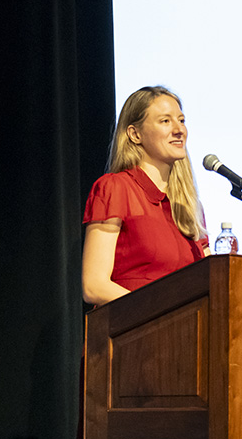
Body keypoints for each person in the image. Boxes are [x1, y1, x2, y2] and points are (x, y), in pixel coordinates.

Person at [82, 85, 209, 306]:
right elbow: (94, 286)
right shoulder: (115, 188)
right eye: (165, 121)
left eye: (181, 120)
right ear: (135, 134)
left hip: (188, 333)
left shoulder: (189, 206)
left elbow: (209, 281)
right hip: (133, 333)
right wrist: (159, 309)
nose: (179, 129)